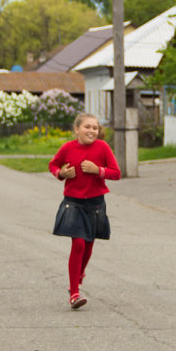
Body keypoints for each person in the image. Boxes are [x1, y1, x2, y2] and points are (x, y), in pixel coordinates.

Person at [49, 113, 120, 309]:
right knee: (78, 243)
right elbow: (53, 165)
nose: (91, 131)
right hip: (73, 203)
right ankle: (74, 294)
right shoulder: (68, 148)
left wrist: (98, 170)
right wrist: (61, 173)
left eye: (95, 128)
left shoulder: (103, 148)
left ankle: (79, 274)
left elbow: (116, 173)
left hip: (96, 204)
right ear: (77, 130)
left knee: (88, 246)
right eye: (87, 127)